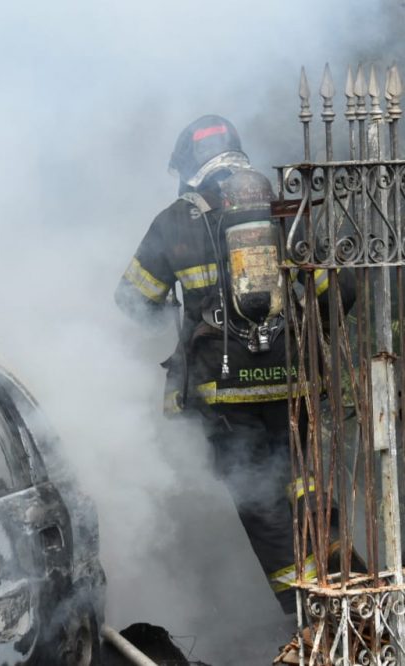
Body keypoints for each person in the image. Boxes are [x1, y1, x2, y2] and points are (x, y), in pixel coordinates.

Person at [114, 115, 355, 615]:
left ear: (189, 166)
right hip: (293, 382)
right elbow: (342, 290)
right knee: (302, 477)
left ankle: (309, 606)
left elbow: (132, 302)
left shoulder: (174, 221)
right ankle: (339, 576)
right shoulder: (285, 209)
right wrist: (303, 338)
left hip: (222, 392)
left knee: (256, 493)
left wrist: (173, 306)